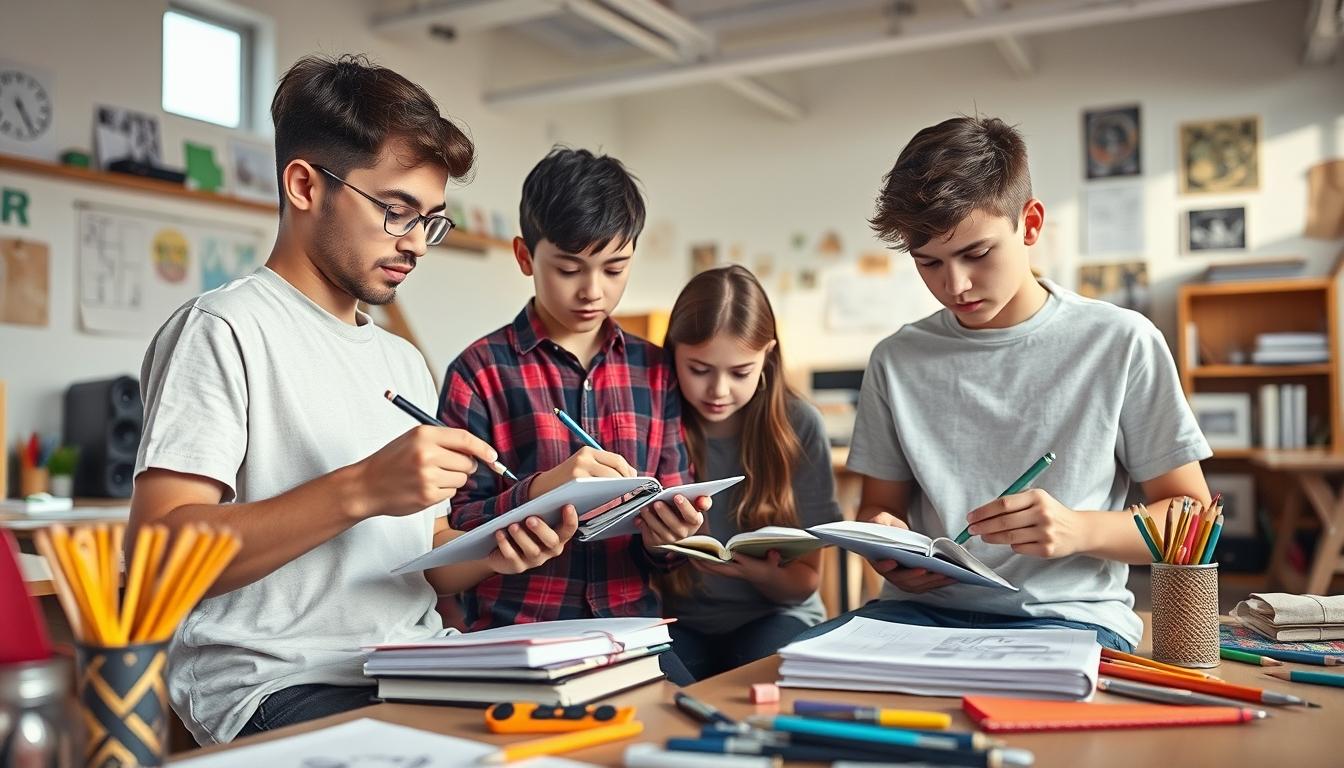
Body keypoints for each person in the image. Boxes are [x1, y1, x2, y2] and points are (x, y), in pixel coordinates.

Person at [129, 55, 575, 744]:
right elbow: (159, 557)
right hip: (279, 682)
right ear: (305, 185)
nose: (416, 245)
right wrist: (362, 488)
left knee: (588, 735)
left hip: (414, 663)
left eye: (431, 221)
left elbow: (423, 556)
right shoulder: (223, 329)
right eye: (397, 212)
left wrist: (496, 548)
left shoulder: (402, 361)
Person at [802, 115, 1212, 652]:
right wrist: (889, 547)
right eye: (928, 262)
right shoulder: (896, 359)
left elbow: (1192, 521)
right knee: (792, 673)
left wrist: (1079, 530)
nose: (955, 285)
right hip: (915, 614)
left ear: (1031, 224)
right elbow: (880, 509)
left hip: (1065, 618)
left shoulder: (1121, 341)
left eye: (977, 254)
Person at [661, 265, 841, 680]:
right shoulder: (654, 419)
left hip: (778, 612)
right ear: (672, 352)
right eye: (699, 369)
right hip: (679, 621)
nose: (719, 390)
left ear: (767, 356)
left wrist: (757, 573)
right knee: (664, 696)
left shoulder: (799, 425)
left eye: (740, 372)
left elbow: (805, 582)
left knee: (757, 688)